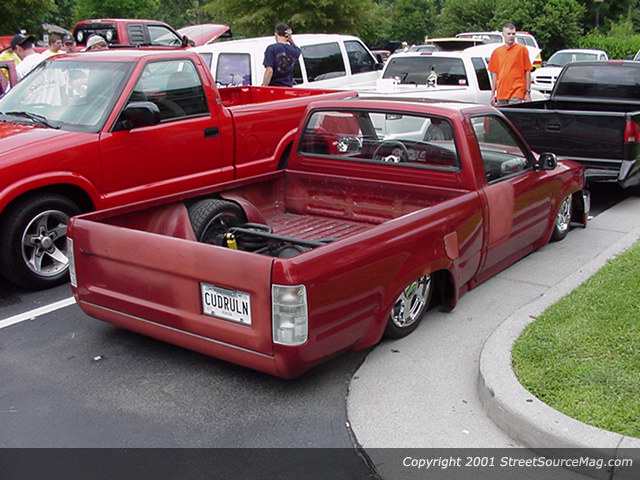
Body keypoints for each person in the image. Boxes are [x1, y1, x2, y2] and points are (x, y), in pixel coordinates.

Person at [488, 22, 532, 105]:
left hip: (517, 92)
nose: (511, 36)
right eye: (508, 34)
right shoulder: (497, 52)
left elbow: (527, 71)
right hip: (501, 92)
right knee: (503, 113)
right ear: (503, 34)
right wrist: (493, 94)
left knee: (513, 111)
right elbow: (494, 74)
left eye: (513, 34)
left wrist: (528, 92)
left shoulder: (522, 50)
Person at [261, 23, 301, 87]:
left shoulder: (271, 49)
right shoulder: (295, 51)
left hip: (275, 88)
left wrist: (264, 85)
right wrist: (290, 40)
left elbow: (269, 70)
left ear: (276, 34)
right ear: (287, 35)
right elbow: (297, 49)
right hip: (288, 88)